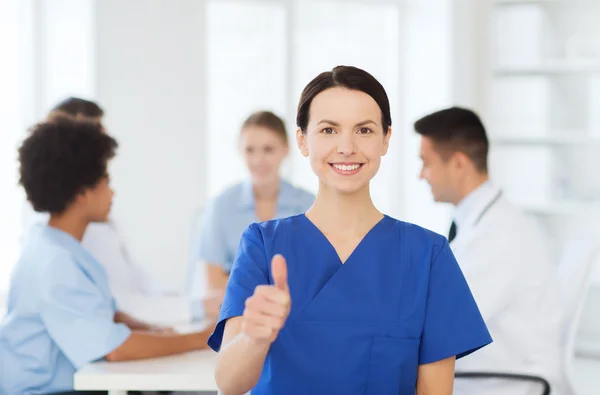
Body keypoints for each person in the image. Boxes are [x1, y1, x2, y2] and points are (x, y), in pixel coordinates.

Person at [206, 66, 492, 395]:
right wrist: (254, 337)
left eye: (364, 131)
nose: (346, 147)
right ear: (302, 140)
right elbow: (228, 383)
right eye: (328, 130)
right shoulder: (262, 245)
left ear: (386, 139)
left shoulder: (428, 255)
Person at [0, 117, 212, 395]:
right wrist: (199, 338)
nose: (112, 192)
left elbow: (107, 314)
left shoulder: (57, 246)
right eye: (106, 180)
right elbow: (115, 349)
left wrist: (157, 330)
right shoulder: (55, 263)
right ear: (82, 193)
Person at [414, 107, 563, 395]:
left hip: (504, 382)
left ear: (458, 164)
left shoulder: (500, 235)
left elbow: (444, 322)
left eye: (426, 163)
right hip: (482, 373)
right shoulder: (482, 222)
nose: (421, 175)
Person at [195, 111, 314, 317]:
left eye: (268, 149)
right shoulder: (221, 206)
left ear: (286, 149)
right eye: (250, 150)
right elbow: (214, 282)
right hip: (238, 315)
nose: (259, 160)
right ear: (239, 151)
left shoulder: (309, 204)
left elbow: (315, 275)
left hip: (297, 315)